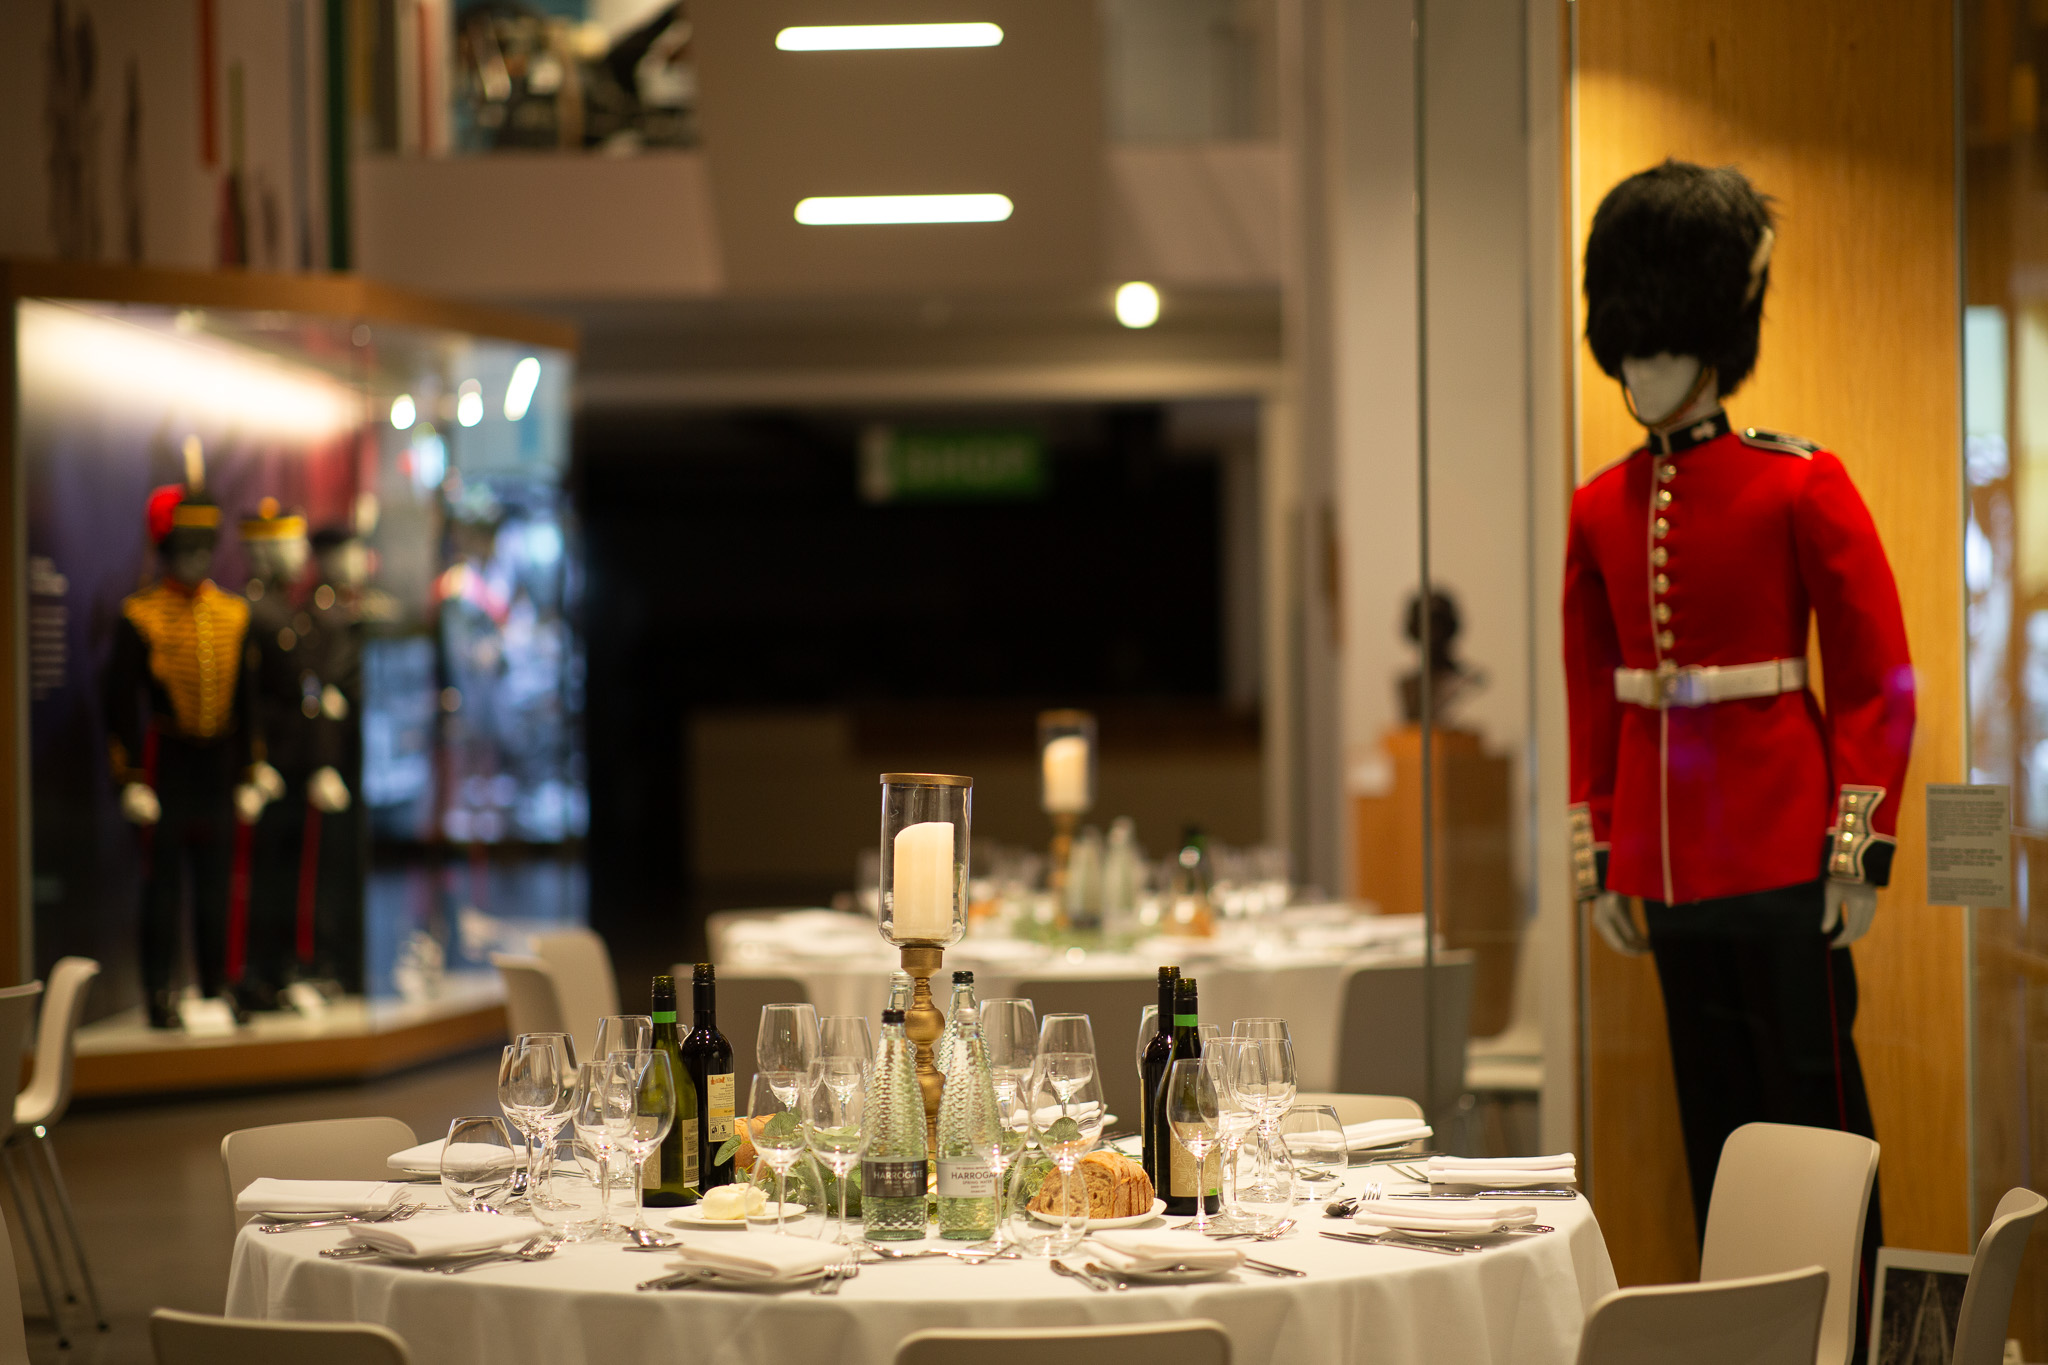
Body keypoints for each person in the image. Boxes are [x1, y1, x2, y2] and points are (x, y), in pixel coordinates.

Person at [1565, 159, 1915, 1339]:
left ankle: (1853, 1333)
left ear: (1715, 336)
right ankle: (1747, 1337)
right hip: (1665, 871)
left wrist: (1852, 850)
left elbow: (1875, 677)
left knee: (1816, 1114)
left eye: (1659, 340)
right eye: (1627, 343)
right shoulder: (1595, 508)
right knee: (1709, 1122)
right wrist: (1602, 849)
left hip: (1778, 849)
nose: (1639, 366)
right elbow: (1593, 690)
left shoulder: (1798, 485)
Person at [104, 483, 277, 1027]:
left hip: (218, 765)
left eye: (203, 549)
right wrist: (130, 777)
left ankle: (215, 985)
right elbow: (119, 703)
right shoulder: (141, 616)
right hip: (167, 763)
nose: (196, 559)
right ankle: (160, 991)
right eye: (185, 549)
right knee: (162, 887)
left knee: (217, 886)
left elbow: (248, 701)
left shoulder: (232, 615)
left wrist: (252, 768)